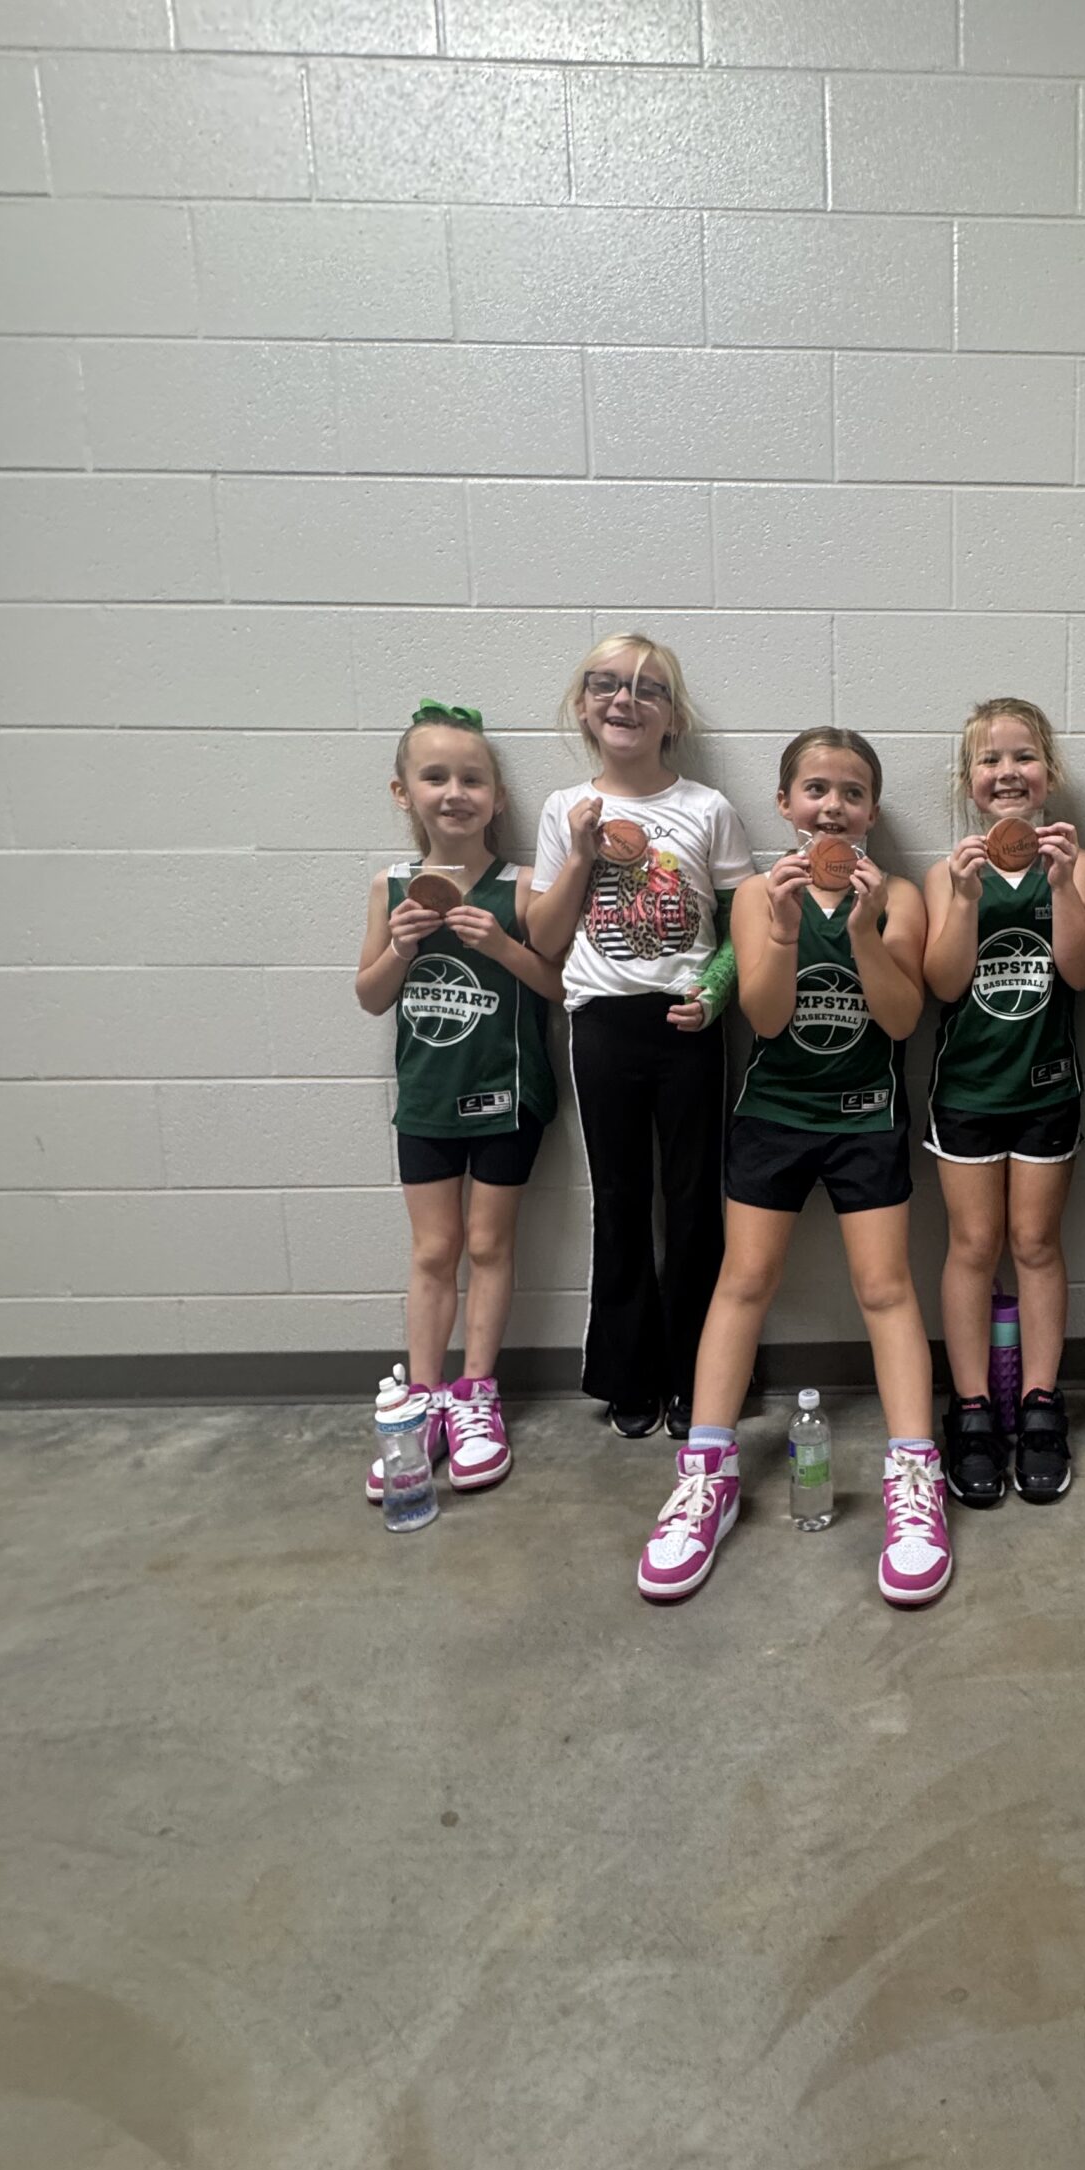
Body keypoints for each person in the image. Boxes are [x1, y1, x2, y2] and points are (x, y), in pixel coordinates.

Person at [637, 728, 951, 1609]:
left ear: (873, 811)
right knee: (744, 1281)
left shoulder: (897, 896)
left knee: (886, 1288)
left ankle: (913, 1476)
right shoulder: (757, 894)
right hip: (774, 1116)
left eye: (852, 792)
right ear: (785, 805)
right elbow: (768, 1018)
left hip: (866, 1118)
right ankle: (706, 1472)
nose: (832, 807)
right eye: (816, 789)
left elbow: (900, 1019)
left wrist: (862, 933)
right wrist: (779, 929)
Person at [527, 635, 754, 1444]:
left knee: (693, 1202)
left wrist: (716, 991)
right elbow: (545, 937)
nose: (625, 699)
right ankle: (629, 1371)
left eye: (648, 688)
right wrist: (580, 855)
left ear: (673, 716)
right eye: (607, 685)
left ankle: (701, 1373)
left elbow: (744, 928)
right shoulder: (564, 808)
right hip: (601, 1023)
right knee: (620, 1201)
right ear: (583, 706)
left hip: (686, 1023)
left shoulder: (707, 809)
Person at [354, 700, 562, 1501]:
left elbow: (558, 986)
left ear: (497, 797)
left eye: (472, 779)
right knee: (433, 1251)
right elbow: (370, 996)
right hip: (427, 1100)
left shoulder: (523, 885)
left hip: (508, 1098)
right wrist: (401, 948)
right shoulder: (390, 888)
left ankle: (477, 1394)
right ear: (402, 791)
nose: (454, 793)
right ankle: (423, 1398)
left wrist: (501, 944)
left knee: (487, 1244)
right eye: (435, 777)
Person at [922, 697, 1085, 1506]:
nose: (1007, 772)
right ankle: (969, 1407)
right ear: (968, 781)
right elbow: (943, 984)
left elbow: (1082, 972)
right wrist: (965, 900)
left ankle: (1038, 1402)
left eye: (1023, 756)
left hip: (1046, 1087)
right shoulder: (946, 873)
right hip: (966, 1090)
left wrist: (1063, 885)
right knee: (973, 1244)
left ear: (1050, 772)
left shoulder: (1078, 864)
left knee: (1034, 1242)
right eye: (989, 760)